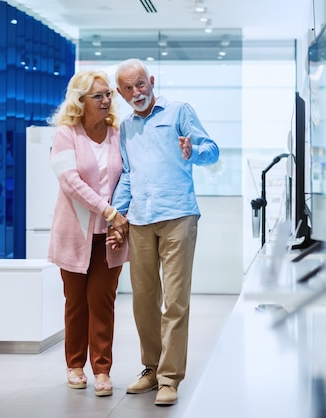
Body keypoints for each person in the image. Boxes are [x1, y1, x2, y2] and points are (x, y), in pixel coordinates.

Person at [111, 58, 220, 406]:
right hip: (141, 220)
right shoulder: (126, 128)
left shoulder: (178, 111)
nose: (136, 92)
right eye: (128, 88)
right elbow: (127, 174)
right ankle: (150, 368)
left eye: (140, 84)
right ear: (120, 93)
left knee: (175, 300)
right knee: (144, 301)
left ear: (151, 81)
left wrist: (193, 152)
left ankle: (170, 378)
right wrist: (117, 215)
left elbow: (211, 150)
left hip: (178, 216)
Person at [48, 70, 129, 397]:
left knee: (103, 303)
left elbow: (127, 177)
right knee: (76, 304)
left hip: (110, 237)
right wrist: (108, 211)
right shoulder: (66, 135)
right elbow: (70, 182)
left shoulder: (116, 133)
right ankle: (75, 365)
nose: (107, 100)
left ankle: (103, 369)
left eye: (108, 93)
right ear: (80, 101)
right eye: (98, 95)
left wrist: (119, 218)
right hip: (75, 235)